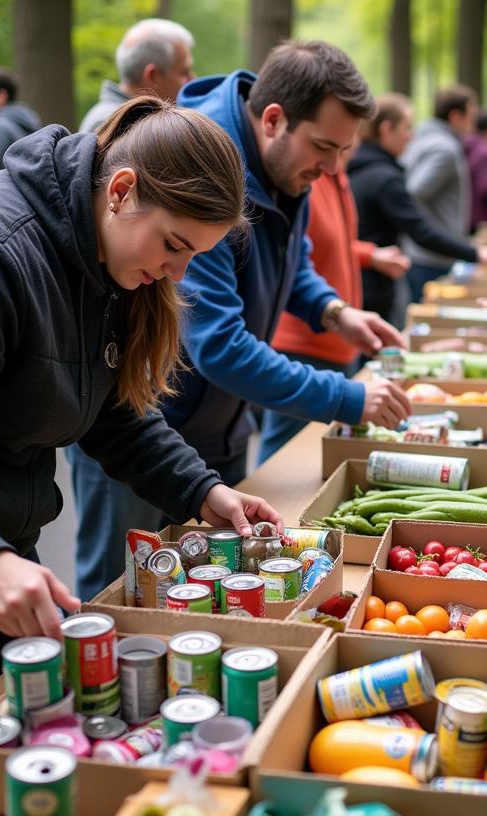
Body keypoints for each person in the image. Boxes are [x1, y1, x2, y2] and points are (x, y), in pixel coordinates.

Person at [0, 96, 282, 726]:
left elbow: (110, 410)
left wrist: (203, 491)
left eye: (193, 257)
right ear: (121, 190)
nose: (177, 271)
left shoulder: (105, 257)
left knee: (32, 728)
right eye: (173, 245)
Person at [67, 41, 410, 601]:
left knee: (211, 590)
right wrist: (348, 397)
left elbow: (291, 262)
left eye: (342, 151)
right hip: (142, 423)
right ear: (274, 119)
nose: (330, 170)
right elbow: (220, 344)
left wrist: (334, 311)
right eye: (324, 147)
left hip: (214, 425)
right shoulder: (206, 170)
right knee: (118, 593)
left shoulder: (285, 167)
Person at [258, 166, 411, 461]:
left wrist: (338, 312)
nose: (334, 157)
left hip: (337, 343)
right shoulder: (300, 175)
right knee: (284, 460)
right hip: (302, 346)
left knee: (315, 461)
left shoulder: (332, 172)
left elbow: (321, 248)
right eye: (327, 145)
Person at [349, 93, 487, 324]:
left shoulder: (364, 168)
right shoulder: (384, 177)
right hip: (373, 285)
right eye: (406, 127)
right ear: (386, 129)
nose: (410, 136)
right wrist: (478, 254)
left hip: (366, 278)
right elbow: (420, 230)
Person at [399, 84, 477, 300]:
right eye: (470, 116)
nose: (472, 124)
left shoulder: (422, 140)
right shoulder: (444, 148)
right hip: (433, 255)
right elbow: (414, 192)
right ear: (455, 116)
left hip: (422, 251)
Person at [79, 18, 196, 133]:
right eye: (184, 73)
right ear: (152, 76)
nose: (192, 80)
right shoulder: (119, 126)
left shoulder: (118, 119)